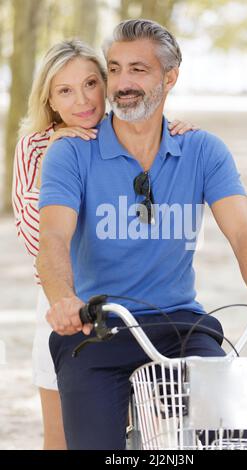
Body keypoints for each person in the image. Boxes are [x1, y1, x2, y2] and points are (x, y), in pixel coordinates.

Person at [36, 20, 247, 450]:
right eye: (115, 69)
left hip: (182, 323)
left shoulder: (202, 149)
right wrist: (64, 300)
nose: (122, 83)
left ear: (170, 76)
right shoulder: (72, 151)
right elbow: (54, 240)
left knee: (229, 434)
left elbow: (243, 231)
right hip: (97, 326)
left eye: (138, 70)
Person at [12, 37, 196, 450]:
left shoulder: (135, 133)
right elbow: (37, 237)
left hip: (140, 305)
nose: (82, 100)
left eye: (91, 83)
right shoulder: (37, 148)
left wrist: (176, 132)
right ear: (50, 100)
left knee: (150, 434)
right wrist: (58, 159)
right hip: (67, 303)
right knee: (62, 436)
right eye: (64, 90)